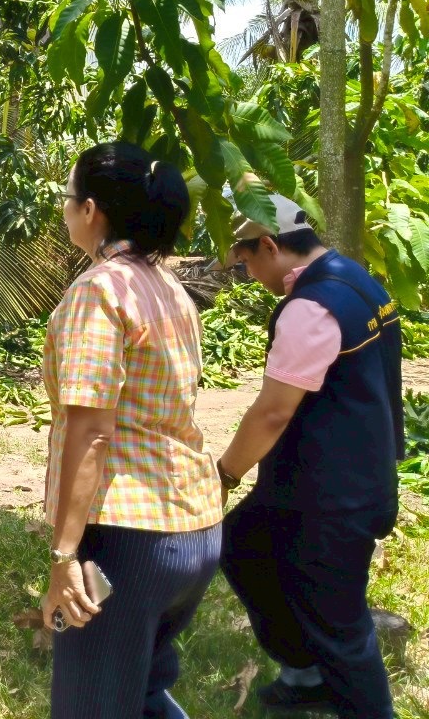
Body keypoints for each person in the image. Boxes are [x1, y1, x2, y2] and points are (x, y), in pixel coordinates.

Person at [40, 142, 224, 719]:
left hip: (127, 538)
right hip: (194, 528)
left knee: (90, 706)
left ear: (90, 211)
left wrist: (65, 554)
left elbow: (91, 430)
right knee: (141, 695)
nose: (65, 210)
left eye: (68, 201)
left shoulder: (100, 292)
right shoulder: (166, 285)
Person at [219, 193, 403, 718]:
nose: (250, 273)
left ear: (270, 246)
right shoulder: (357, 279)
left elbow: (272, 412)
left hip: (332, 497)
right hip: (345, 474)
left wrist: (226, 471)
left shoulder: (310, 308)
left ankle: (354, 697)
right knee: (244, 543)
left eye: (247, 261)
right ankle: (305, 674)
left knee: (342, 628)